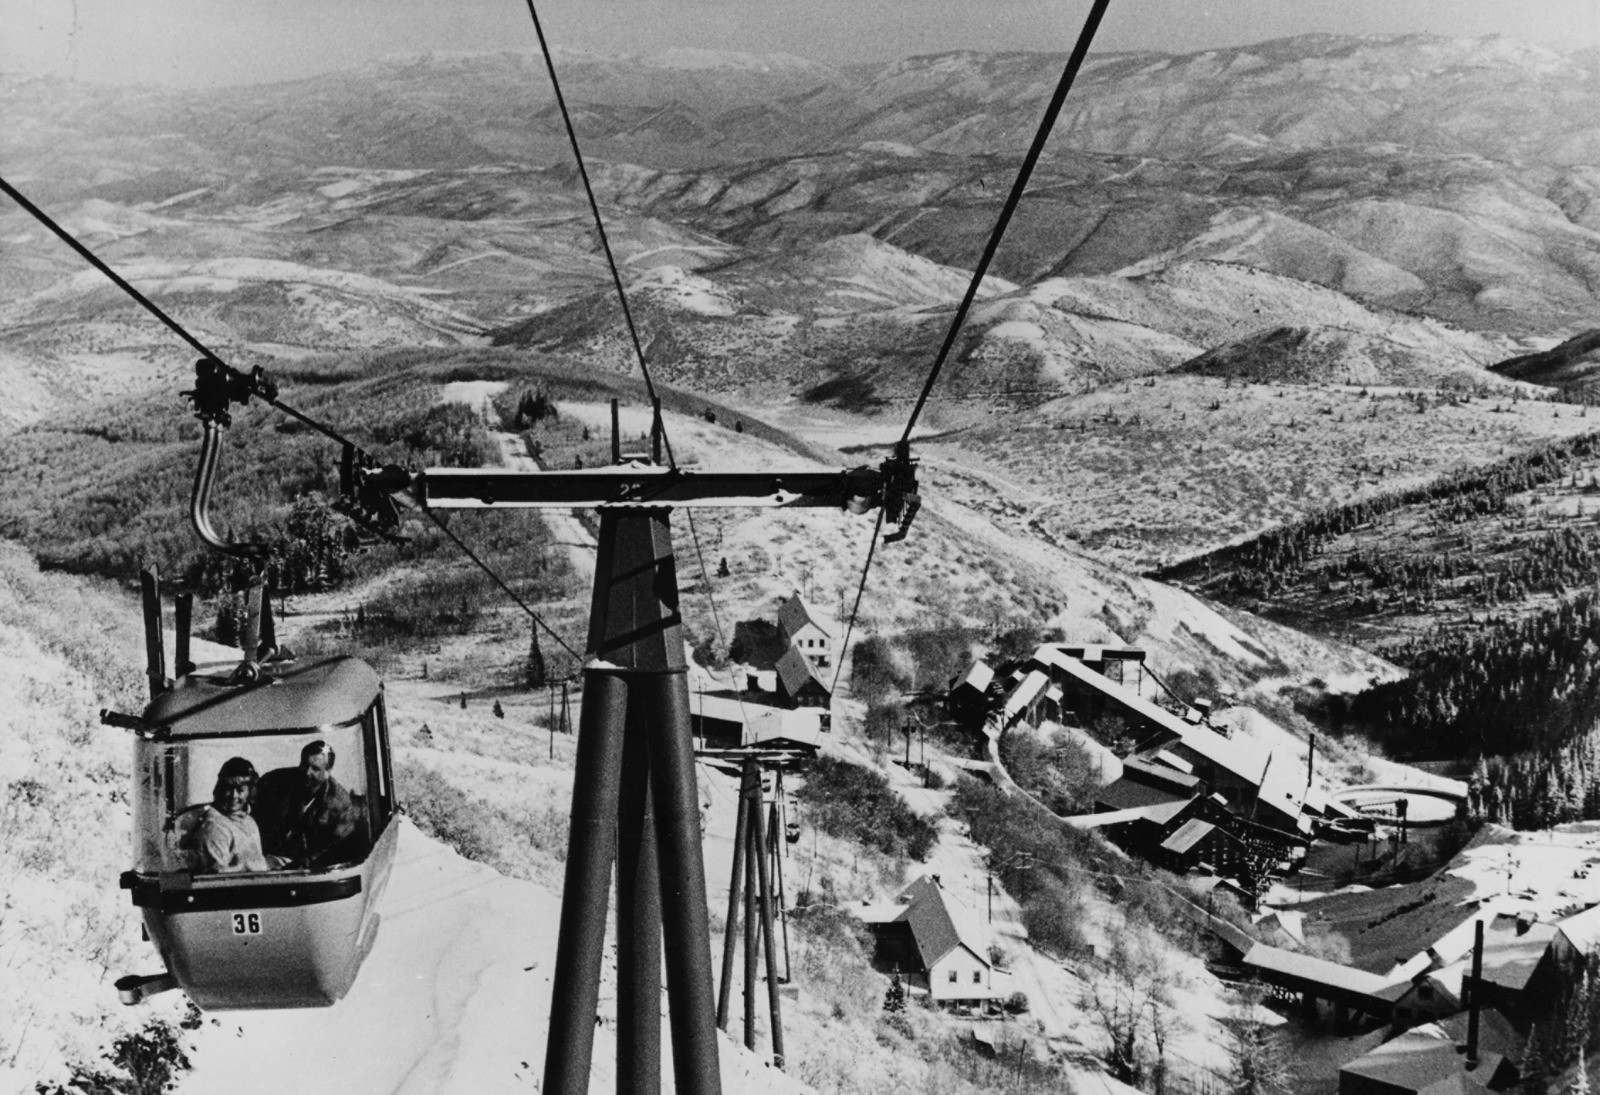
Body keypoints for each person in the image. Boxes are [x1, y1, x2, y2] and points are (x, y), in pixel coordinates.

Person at [255, 741, 361, 869]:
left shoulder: (341, 803)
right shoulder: (272, 782)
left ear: (328, 771)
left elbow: (337, 845)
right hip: (266, 859)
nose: (307, 773)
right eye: (304, 765)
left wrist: (305, 862)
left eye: (315, 769)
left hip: (310, 869)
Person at [187, 757, 272, 873]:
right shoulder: (214, 827)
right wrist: (250, 867)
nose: (233, 796)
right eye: (228, 788)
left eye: (240, 790)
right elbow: (216, 877)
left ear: (249, 791)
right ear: (219, 788)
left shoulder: (249, 821)